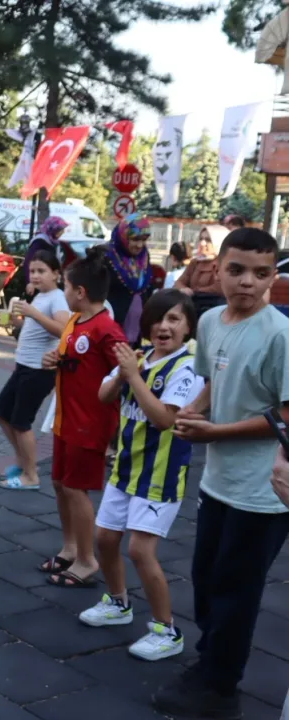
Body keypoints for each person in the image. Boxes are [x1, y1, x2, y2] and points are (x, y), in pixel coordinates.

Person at [155, 228, 289, 717]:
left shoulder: (280, 335)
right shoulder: (210, 320)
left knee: (236, 590)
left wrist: (216, 432)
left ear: (272, 277)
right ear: (218, 269)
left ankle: (221, 688)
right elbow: (215, 378)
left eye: (261, 273)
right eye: (236, 270)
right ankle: (210, 662)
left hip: (263, 491)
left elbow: (286, 415)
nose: (247, 282)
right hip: (217, 481)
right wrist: (196, 409)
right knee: (206, 580)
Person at [81, 289, 202, 661]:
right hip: (125, 469)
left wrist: (133, 377)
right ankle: (118, 602)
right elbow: (104, 395)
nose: (164, 326)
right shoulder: (138, 357)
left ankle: (167, 630)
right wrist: (123, 374)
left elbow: (165, 419)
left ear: (188, 327)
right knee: (105, 538)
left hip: (160, 475)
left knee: (140, 550)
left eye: (174, 319)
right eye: (157, 319)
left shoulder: (188, 368)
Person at [39, 246, 126, 588]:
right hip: (66, 419)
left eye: (65, 286)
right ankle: (71, 548)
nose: (63, 292)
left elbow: (127, 371)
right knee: (61, 484)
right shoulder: (75, 322)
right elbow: (72, 360)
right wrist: (54, 359)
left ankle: (88, 560)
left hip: (89, 423)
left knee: (76, 489)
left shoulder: (106, 329)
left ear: (80, 292)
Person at [0, 250, 69, 490]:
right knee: (1, 412)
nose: (35, 276)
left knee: (21, 422)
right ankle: (24, 462)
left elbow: (63, 330)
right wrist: (17, 320)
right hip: (24, 365)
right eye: (32, 271)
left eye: (41, 271)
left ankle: (31, 476)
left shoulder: (57, 298)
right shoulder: (41, 296)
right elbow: (34, 328)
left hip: (40, 369)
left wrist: (33, 313)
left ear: (56, 274)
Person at [105, 214, 154, 345]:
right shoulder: (107, 257)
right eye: (135, 239)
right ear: (123, 236)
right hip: (113, 331)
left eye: (144, 240)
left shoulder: (144, 257)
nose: (140, 245)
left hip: (137, 330)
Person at [173, 224, 228, 319]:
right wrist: (183, 289)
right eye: (201, 239)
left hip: (214, 313)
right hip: (192, 310)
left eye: (208, 240)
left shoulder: (225, 263)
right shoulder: (195, 262)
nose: (202, 243)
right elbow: (179, 282)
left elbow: (219, 288)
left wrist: (193, 292)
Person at [23, 216, 70, 292]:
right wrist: (30, 282)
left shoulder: (54, 242)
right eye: (60, 230)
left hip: (50, 282)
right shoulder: (39, 241)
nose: (63, 232)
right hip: (39, 283)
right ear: (53, 229)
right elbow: (29, 261)